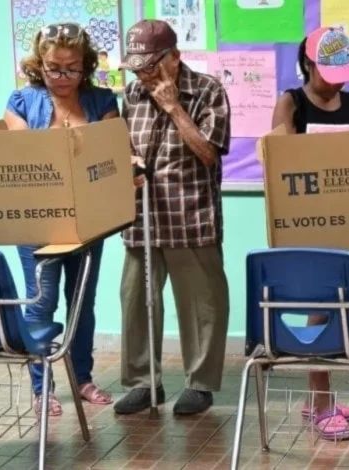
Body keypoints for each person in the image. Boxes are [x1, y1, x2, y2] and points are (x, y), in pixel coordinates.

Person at [114, 19, 231, 416]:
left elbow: (209, 153)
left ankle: (200, 384)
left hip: (191, 217)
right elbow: (123, 146)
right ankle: (143, 383)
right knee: (136, 302)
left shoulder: (208, 90)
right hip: (142, 218)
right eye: (136, 68)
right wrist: (128, 163)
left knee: (202, 306)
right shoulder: (131, 94)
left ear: (174, 57)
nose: (142, 76)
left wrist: (174, 107)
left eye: (149, 67)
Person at [3, 22, 119, 416]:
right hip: (38, 221)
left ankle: (82, 378)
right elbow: (24, 157)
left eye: (72, 68)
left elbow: (109, 155)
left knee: (81, 303)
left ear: (85, 66)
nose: (63, 77)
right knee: (42, 301)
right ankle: (42, 389)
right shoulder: (21, 101)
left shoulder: (102, 101)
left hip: (88, 221)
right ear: (39, 64)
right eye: (54, 68)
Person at [270, 26, 349, 440]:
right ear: (309, 64)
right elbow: (278, 164)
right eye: (330, 73)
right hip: (305, 221)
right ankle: (322, 402)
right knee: (320, 305)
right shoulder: (291, 103)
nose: (337, 82)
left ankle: (316, 399)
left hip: (342, 219)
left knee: (337, 305)